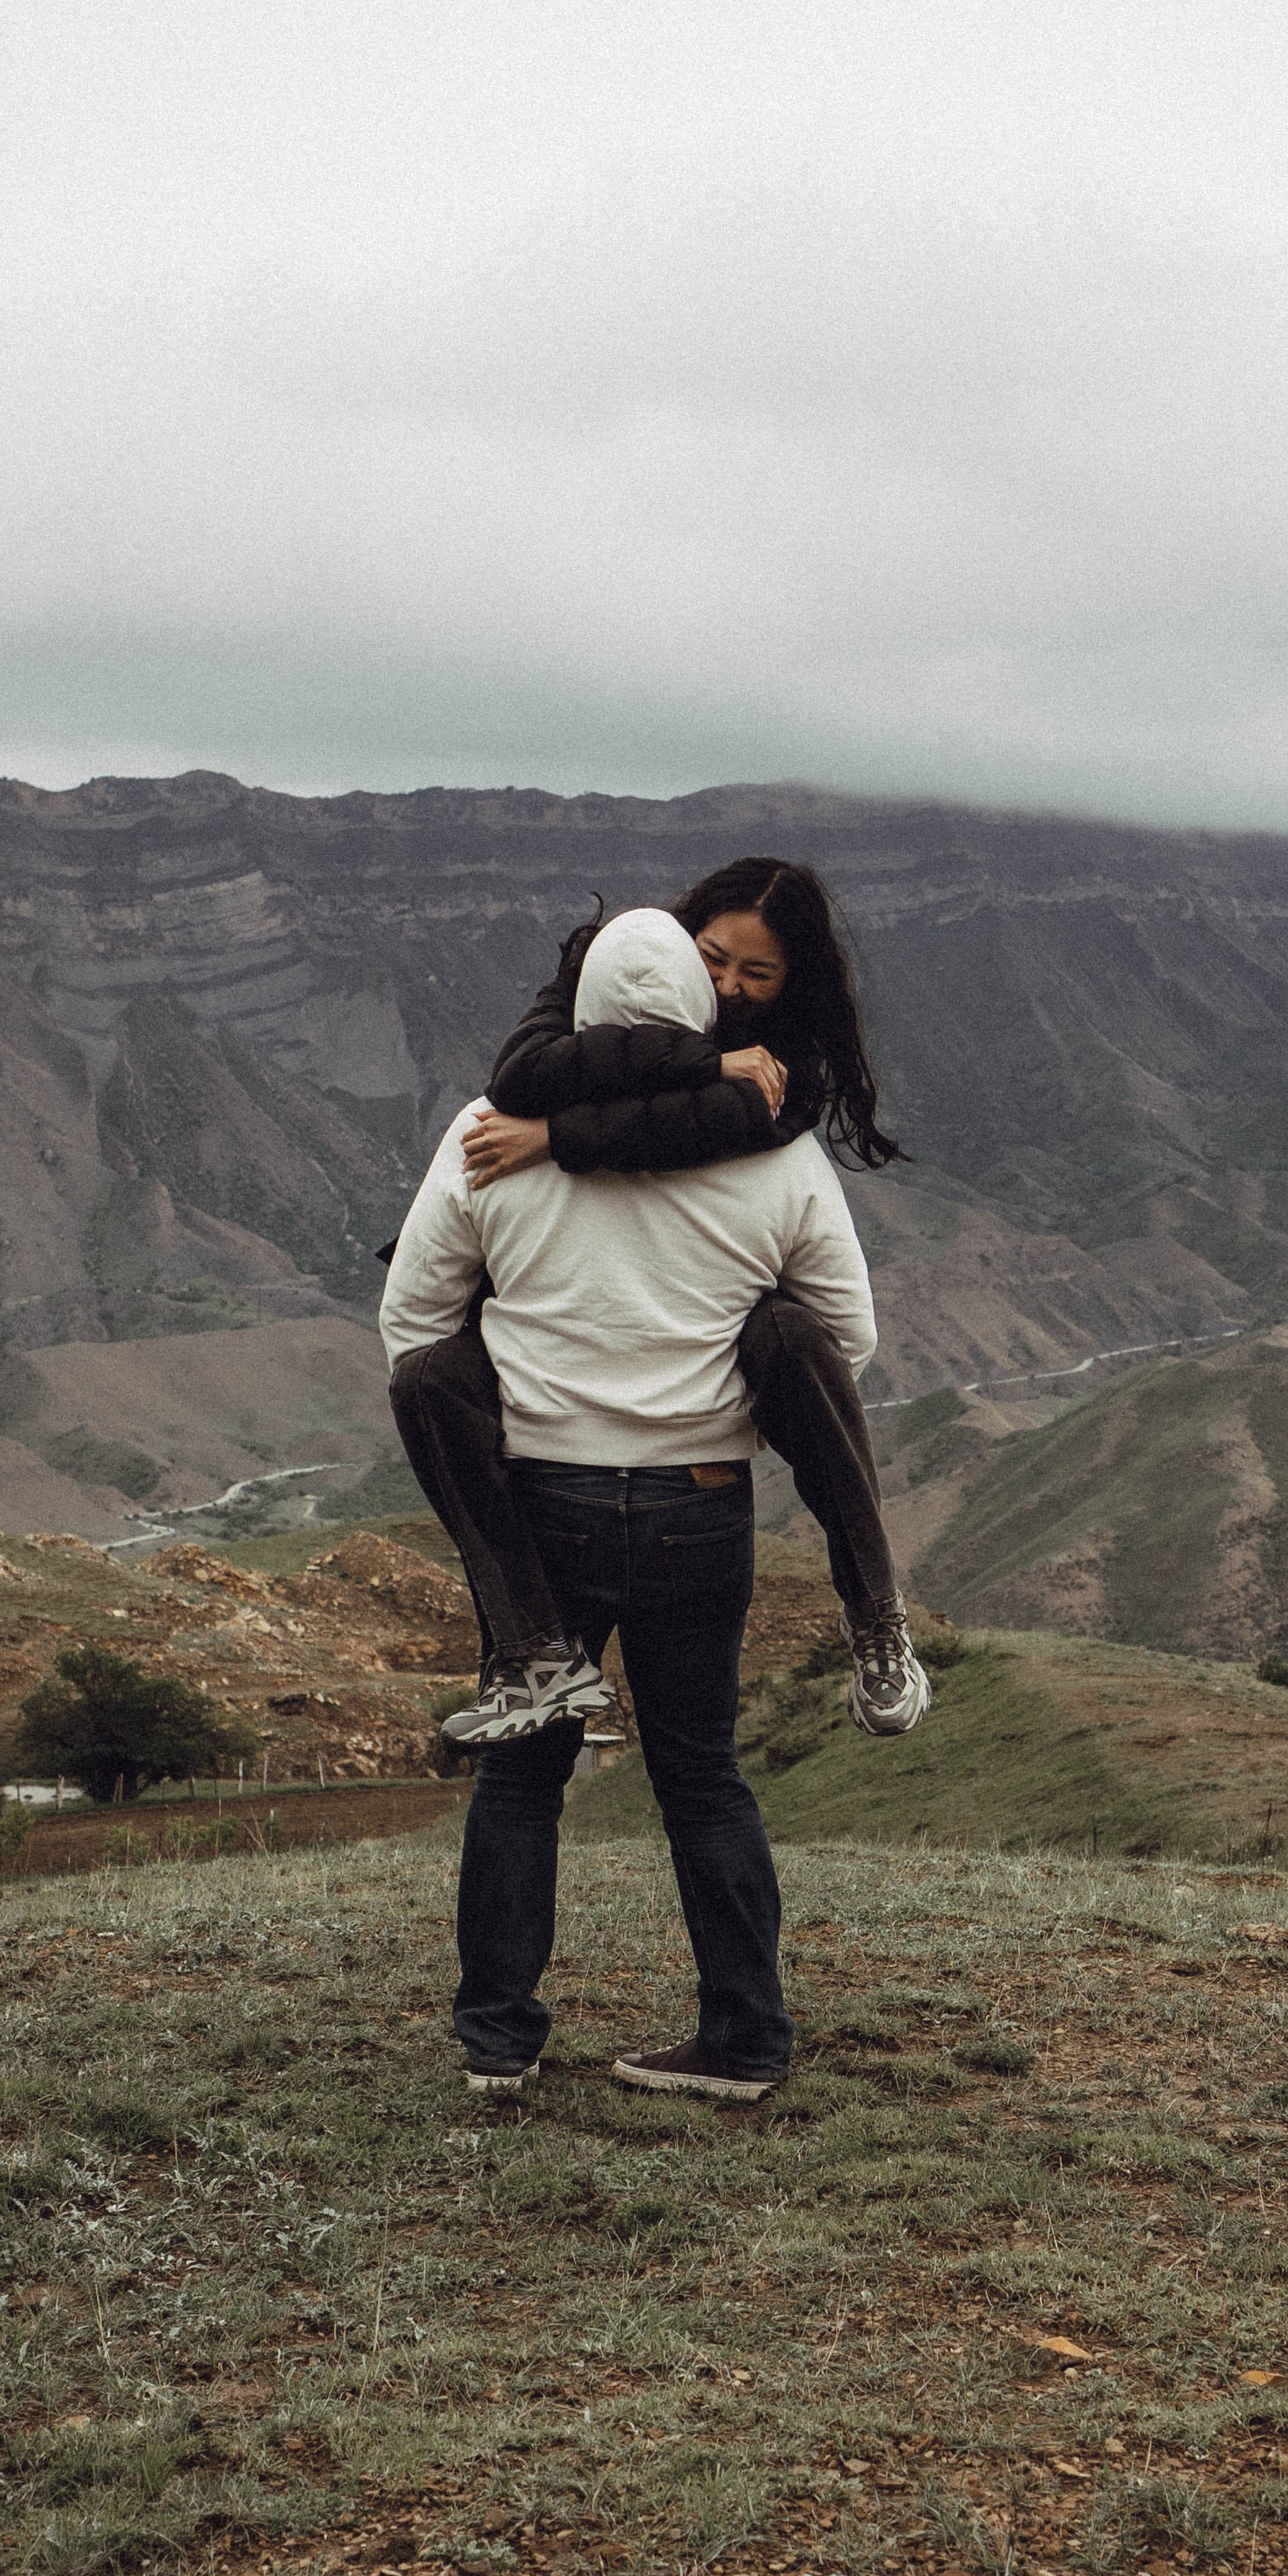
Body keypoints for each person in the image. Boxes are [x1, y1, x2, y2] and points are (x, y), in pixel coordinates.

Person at [379, 906, 879, 2100]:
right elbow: (841, 1341)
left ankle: (499, 2041)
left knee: (523, 1774)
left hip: (542, 1500)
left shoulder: (490, 1137)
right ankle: (746, 2041)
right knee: (703, 1776)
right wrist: (715, 1408)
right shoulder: (773, 1149)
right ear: (703, 1022)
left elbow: (413, 1328)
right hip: (700, 1503)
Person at [388, 855, 931, 1742]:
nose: (728, 986)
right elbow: (524, 1074)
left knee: (789, 1340)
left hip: (594, 1474)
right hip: (680, 1496)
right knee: (698, 1770)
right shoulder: (581, 1019)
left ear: (794, 984)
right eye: (712, 959)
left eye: (758, 974)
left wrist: (557, 1137)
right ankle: (532, 1655)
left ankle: (874, 1612)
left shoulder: (781, 1082)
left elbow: (717, 1129)